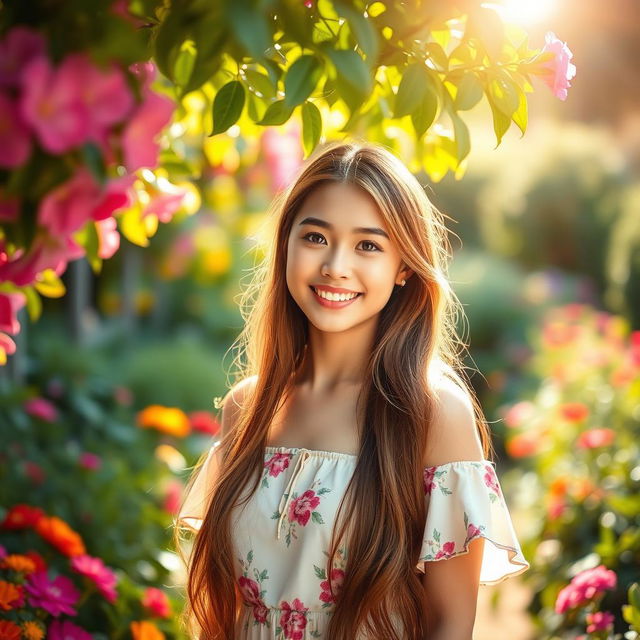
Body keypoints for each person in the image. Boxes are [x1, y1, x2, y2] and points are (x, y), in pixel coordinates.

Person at [174, 140, 530, 640]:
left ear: (404, 266)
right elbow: (223, 610)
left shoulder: (432, 413)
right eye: (316, 237)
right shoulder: (246, 408)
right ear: (286, 245)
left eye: (368, 245)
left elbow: (452, 623)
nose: (335, 266)